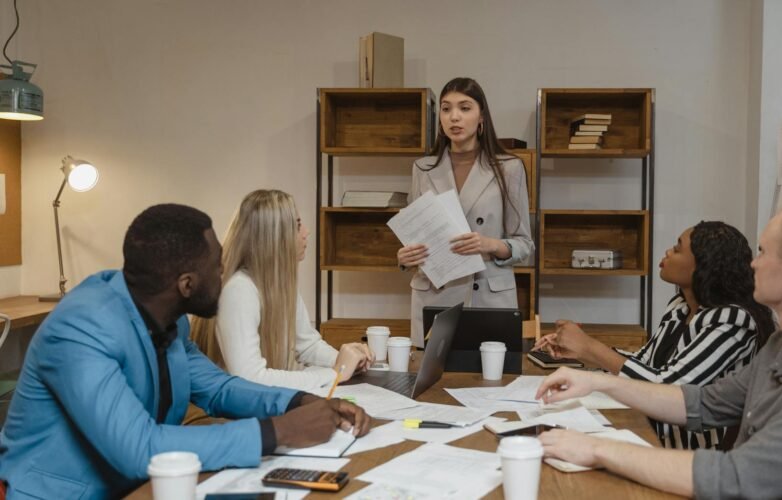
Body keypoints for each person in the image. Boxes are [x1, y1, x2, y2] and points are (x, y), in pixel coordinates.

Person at [0, 204, 372, 499]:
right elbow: (140, 448)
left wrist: (298, 402)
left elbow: (219, 388)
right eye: (218, 267)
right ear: (187, 284)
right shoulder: (81, 329)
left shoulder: (170, 319)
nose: (225, 274)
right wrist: (276, 432)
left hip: (143, 488)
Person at [536, 199, 782, 499]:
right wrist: (599, 382)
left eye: (762, 252)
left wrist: (597, 449)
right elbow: (702, 403)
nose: (753, 263)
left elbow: (739, 478)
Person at [534, 221, 775, 449]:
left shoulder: (732, 320)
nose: (668, 252)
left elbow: (669, 389)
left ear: (703, 265)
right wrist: (582, 354)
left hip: (694, 453)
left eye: (677, 249)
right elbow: (644, 363)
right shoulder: (680, 307)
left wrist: (590, 347)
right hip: (652, 432)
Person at [397, 77, 534, 347]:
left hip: (487, 297)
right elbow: (417, 234)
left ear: (481, 116)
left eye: (465, 108)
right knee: (430, 374)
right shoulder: (423, 169)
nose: (454, 117)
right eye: (446, 109)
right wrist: (405, 257)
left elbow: (525, 245)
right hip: (435, 296)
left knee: (487, 374)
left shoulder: (509, 168)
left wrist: (489, 244)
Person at [191, 190, 372, 391]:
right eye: (297, 225)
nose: (306, 232)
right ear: (275, 236)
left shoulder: (279, 284)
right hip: (234, 405)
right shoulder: (239, 290)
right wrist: (335, 373)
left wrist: (348, 361)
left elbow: (307, 345)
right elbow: (250, 378)